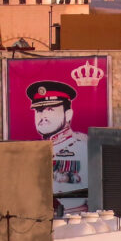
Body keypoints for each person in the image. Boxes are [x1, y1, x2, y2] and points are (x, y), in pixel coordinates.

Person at [26, 80, 87, 213]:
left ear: (68, 114)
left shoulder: (83, 147)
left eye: (51, 109)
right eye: (39, 111)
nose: (43, 116)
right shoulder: (31, 151)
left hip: (74, 221)